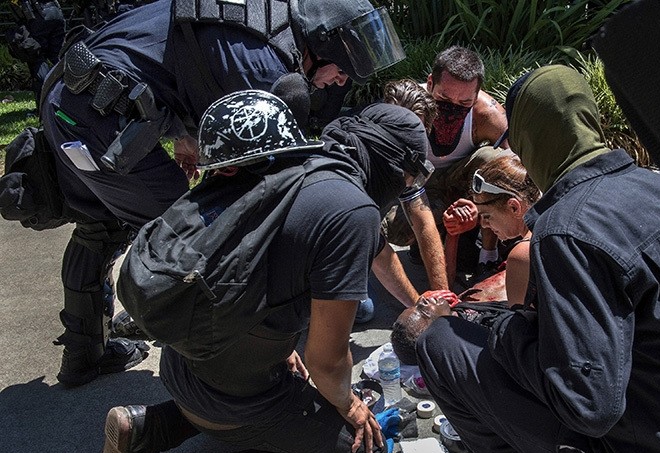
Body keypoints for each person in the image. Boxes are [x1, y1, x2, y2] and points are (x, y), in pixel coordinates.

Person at [415, 65, 660, 453]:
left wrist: (510, 330)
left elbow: (585, 403)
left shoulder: (567, 227)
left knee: (442, 343)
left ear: (529, 140)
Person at [101, 95, 433, 453]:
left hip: (185, 358)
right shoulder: (353, 211)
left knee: (268, 389)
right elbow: (327, 363)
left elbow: (365, 255)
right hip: (234, 399)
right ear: (392, 167)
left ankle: (150, 427)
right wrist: (350, 406)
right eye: (409, 180)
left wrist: (419, 304)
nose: (407, 191)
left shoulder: (300, 164)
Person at [36, 0, 405, 386]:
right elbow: (271, 187)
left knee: (100, 224)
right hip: (97, 115)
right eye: (342, 69)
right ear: (321, 42)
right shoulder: (264, 69)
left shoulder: (264, 21)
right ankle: (221, 353)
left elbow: (170, 59)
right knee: (187, 233)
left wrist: (181, 133)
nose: (341, 81)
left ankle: (83, 356)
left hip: (73, 96)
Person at [382, 46, 509, 276]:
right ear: (430, 83)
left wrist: (484, 205)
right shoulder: (409, 107)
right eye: (443, 98)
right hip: (420, 185)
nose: (452, 109)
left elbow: (517, 171)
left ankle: (488, 256)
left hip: (462, 184)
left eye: (463, 104)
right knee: (396, 229)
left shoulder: (488, 115)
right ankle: (425, 239)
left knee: (496, 162)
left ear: (477, 93)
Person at [378, 78, 448, 293]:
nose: (401, 139)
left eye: (411, 131)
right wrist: (419, 305)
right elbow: (372, 245)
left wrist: (442, 295)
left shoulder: (409, 161)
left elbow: (422, 221)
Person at [442, 152, 540, 306]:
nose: (484, 225)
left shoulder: (522, 255)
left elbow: (521, 323)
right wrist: (453, 234)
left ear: (514, 207)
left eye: (487, 216)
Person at [4, 0, 65, 110]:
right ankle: (68, 100)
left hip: (37, 16)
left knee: (36, 57)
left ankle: (44, 106)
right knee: (59, 57)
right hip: (56, 12)